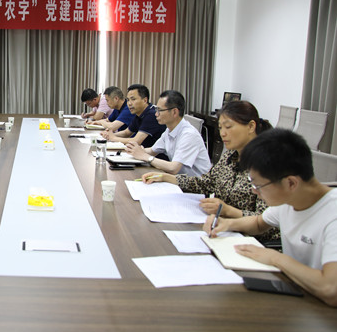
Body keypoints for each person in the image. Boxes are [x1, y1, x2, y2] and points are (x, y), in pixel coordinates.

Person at [203, 129, 337, 307]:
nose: (254, 191)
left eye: (258, 185)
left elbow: (330, 289)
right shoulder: (289, 200)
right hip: (297, 296)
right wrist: (227, 224)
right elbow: (259, 223)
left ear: (291, 183)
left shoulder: (332, 214)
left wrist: (276, 258)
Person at [141, 101, 278, 240]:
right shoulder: (230, 156)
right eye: (220, 128)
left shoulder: (269, 164)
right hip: (221, 230)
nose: (222, 133)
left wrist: (229, 211)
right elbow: (206, 182)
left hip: (252, 241)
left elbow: (271, 224)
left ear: (251, 126)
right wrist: (166, 177)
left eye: (228, 127)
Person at [126, 90, 211, 176]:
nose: (156, 114)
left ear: (174, 112)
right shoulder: (169, 130)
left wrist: (146, 157)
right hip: (179, 179)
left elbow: (173, 168)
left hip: (196, 183)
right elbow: (152, 150)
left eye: (159, 110)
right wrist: (136, 150)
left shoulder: (189, 134)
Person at [101, 84, 165, 147]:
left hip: (151, 153)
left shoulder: (151, 114)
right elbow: (126, 133)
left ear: (145, 100)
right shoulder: (139, 113)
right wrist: (109, 135)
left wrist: (113, 138)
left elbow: (136, 141)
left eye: (133, 99)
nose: (129, 103)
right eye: (128, 100)